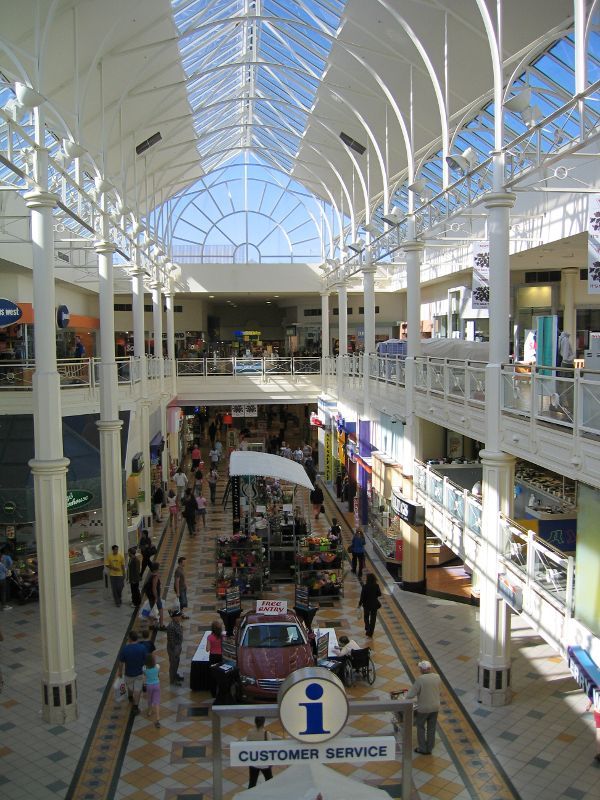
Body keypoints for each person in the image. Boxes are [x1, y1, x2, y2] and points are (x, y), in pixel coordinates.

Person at [405, 660, 441, 755]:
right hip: (435, 707)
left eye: (420, 668)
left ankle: (422, 748)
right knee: (431, 728)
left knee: (420, 727)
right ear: (430, 668)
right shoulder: (437, 677)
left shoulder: (420, 679)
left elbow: (411, 694)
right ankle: (429, 748)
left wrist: (405, 697)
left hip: (424, 708)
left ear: (422, 669)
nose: (420, 669)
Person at [117, 630, 146, 716]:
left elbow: (121, 662)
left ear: (129, 639)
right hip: (139, 673)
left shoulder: (125, 649)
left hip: (128, 673)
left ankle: (130, 697)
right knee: (137, 690)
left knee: (130, 686)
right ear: (137, 638)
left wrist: (120, 672)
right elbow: (145, 660)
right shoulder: (142, 648)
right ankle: (135, 707)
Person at [246, 717, 273, 788]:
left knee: (252, 782)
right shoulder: (266, 734)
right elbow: (270, 748)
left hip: (253, 760)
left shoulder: (250, 732)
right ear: (263, 723)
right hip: (264, 761)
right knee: (269, 781)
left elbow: (247, 744)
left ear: (255, 722)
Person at [358, 572, 381, 637]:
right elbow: (379, 594)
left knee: (366, 616)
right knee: (373, 618)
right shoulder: (376, 586)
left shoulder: (365, 586)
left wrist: (359, 604)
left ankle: (367, 628)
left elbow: (362, 596)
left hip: (366, 604)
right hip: (374, 604)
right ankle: (371, 632)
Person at [166, 608, 184, 685]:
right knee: (173, 664)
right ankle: (172, 680)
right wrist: (175, 651)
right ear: (175, 617)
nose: (180, 617)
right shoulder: (171, 627)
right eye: (179, 616)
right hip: (173, 648)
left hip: (178, 646)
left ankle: (175, 675)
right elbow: (171, 640)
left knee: (176, 662)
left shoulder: (177, 623)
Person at [145, 562, 165, 630]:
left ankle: (151, 625)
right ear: (157, 568)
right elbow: (154, 588)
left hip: (150, 596)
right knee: (161, 609)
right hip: (155, 596)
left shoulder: (151, 575)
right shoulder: (155, 576)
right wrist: (156, 597)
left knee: (152, 610)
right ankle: (161, 626)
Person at [142, 653, 161, 728]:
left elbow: (144, 675)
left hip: (149, 685)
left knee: (149, 699)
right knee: (157, 701)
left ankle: (150, 711)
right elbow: (158, 672)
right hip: (157, 685)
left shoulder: (144, 668)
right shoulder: (157, 666)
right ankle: (158, 717)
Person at [585, 697, 600, 763]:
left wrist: (589, 705)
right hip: (598, 712)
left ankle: (599, 753)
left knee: (599, 733)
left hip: (597, 712)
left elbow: (592, 696)